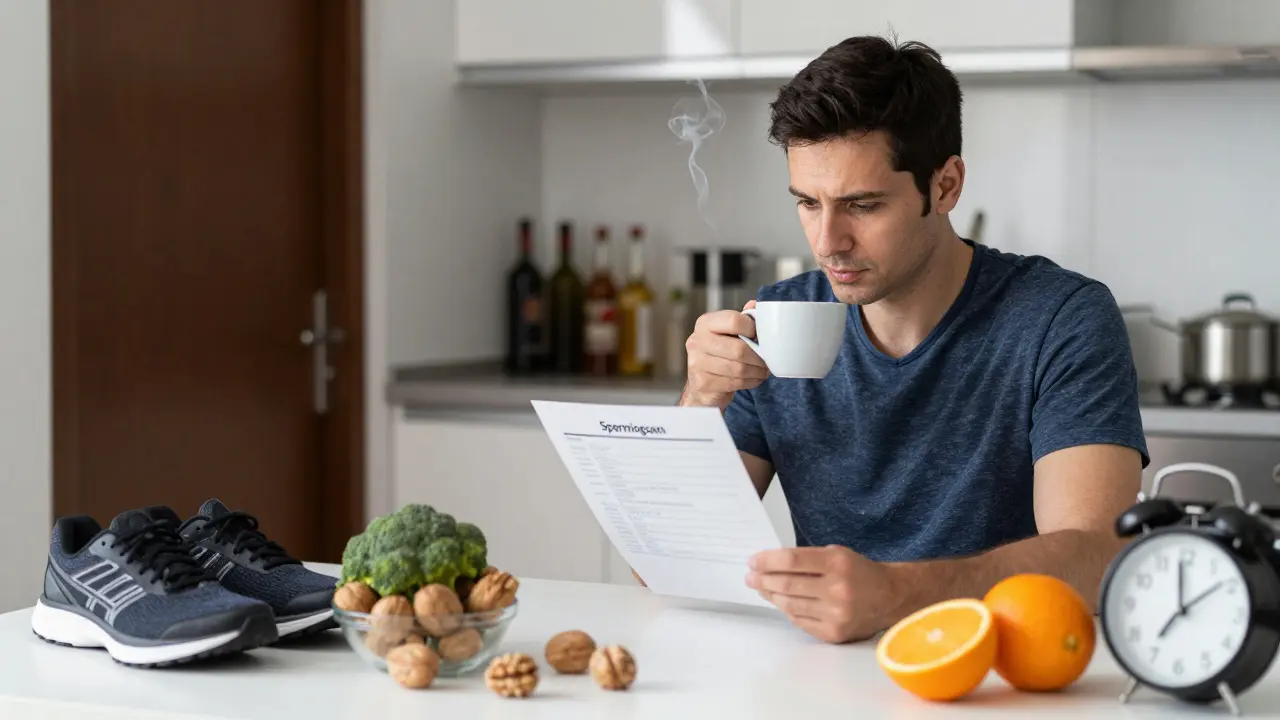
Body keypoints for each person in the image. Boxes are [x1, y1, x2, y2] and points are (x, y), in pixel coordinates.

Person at [678, 36, 1149, 644]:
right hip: (820, 678)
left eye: (863, 205)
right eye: (807, 203)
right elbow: (670, 571)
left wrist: (897, 593)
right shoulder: (775, 320)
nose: (828, 241)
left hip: (1002, 672)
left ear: (946, 186)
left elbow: (1095, 559)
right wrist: (698, 405)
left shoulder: (1060, 318)